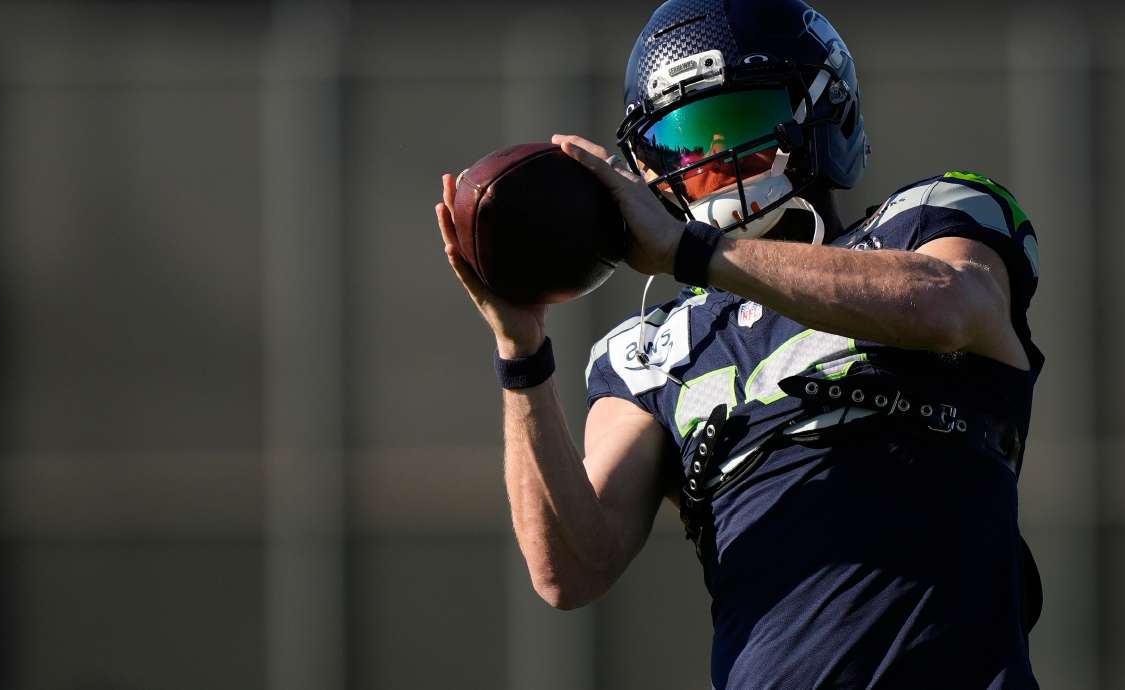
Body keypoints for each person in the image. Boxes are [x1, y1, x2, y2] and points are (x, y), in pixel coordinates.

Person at [435, 1, 1044, 687]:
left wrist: (694, 252)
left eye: (742, 123)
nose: (715, 159)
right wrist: (522, 353)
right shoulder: (651, 350)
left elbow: (948, 305)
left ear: (821, 114)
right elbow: (571, 569)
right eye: (686, 145)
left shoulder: (930, 218)